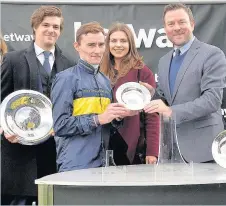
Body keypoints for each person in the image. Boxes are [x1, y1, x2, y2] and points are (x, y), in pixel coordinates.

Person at [1, 6, 74, 205]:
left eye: (56, 27)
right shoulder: (13, 59)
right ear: (35, 27)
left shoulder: (69, 63)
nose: (51, 30)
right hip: (18, 151)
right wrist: (4, 128)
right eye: (46, 25)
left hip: (54, 151)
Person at [142, 3, 226, 163]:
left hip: (205, 150)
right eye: (171, 24)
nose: (176, 27)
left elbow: (212, 101)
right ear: (165, 29)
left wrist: (170, 111)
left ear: (192, 24)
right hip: (173, 152)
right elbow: (167, 98)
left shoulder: (212, 54)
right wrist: (151, 94)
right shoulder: (164, 61)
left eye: (182, 22)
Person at [51, 22, 129, 172]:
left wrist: (118, 117)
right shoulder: (66, 78)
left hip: (105, 163)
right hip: (75, 164)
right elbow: (60, 125)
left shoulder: (105, 80)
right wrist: (97, 119)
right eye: (91, 45)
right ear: (77, 46)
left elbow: (106, 123)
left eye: (101, 45)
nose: (97, 50)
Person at [100, 22, 159, 165]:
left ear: (130, 44)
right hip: (101, 142)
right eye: (114, 41)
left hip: (130, 143)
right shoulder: (100, 70)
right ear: (107, 44)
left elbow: (152, 114)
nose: (118, 45)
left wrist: (152, 151)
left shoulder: (142, 71)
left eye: (123, 41)